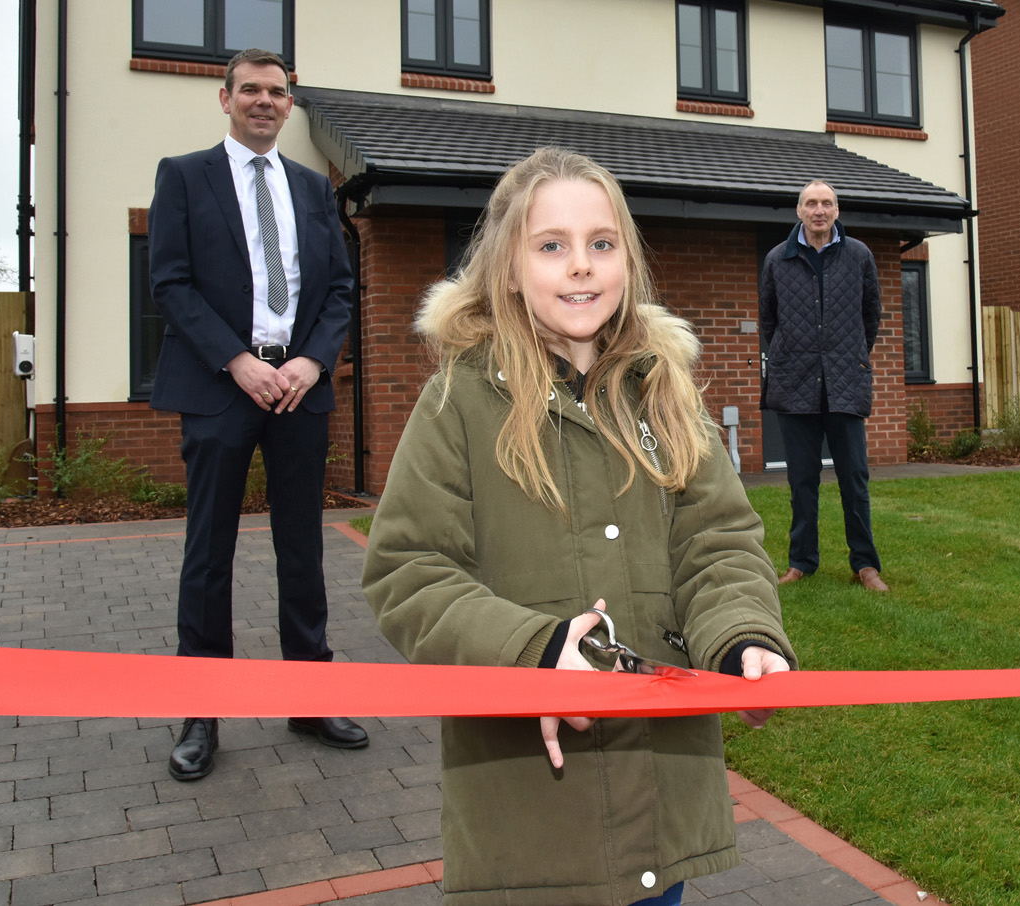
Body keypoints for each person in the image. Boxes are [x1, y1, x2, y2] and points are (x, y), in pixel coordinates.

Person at [362, 147, 794, 906]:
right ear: (507, 267)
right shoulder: (456, 403)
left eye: (602, 244)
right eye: (552, 246)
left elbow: (717, 541)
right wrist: (531, 650)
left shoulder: (664, 395)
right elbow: (408, 569)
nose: (582, 267)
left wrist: (743, 636)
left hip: (662, 800)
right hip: (530, 815)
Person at [148, 48, 367, 780]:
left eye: (277, 92)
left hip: (299, 388)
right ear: (225, 98)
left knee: (302, 547)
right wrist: (238, 361)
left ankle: (309, 698)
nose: (265, 101)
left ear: (289, 104)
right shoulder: (184, 176)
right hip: (220, 384)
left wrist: (309, 360)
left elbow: (338, 287)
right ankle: (200, 714)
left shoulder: (312, 187)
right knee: (208, 554)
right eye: (251, 90)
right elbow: (170, 283)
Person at [759, 180, 887, 592]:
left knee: (854, 478)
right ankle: (801, 563)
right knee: (802, 480)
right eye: (811, 203)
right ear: (799, 211)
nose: (819, 210)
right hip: (794, 383)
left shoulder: (859, 256)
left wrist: (847, 354)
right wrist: (795, 353)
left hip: (845, 382)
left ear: (837, 210)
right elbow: (769, 320)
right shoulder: (778, 260)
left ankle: (865, 565)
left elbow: (871, 315)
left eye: (827, 203)